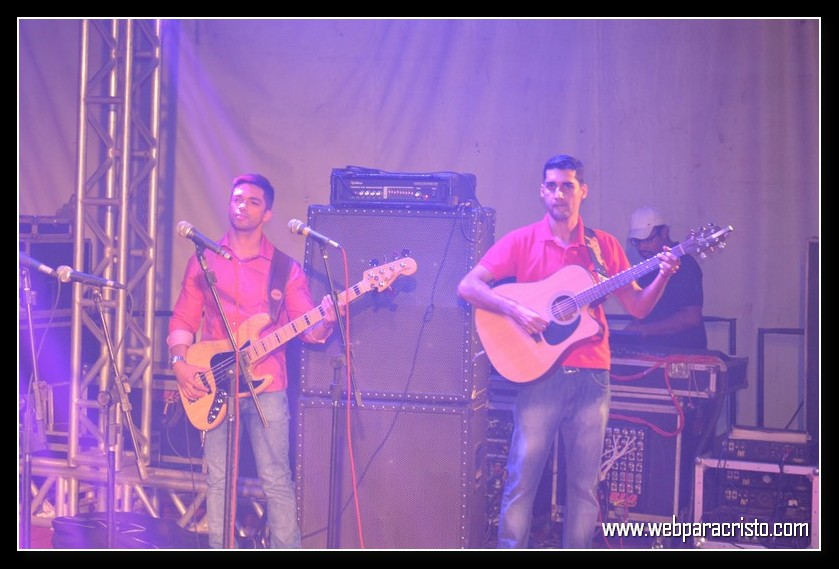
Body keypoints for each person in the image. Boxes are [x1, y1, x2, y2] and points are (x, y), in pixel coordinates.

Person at [457, 154, 680, 549]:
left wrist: (661, 275)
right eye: (552, 186)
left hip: (593, 377)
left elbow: (638, 308)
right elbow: (468, 286)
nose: (559, 193)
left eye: (567, 186)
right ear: (542, 191)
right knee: (521, 479)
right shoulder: (523, 240)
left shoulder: (603, 246)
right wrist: (517, 310)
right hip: (539, 376)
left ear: (583, 191)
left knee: (584, 488)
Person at [167, 173, 338, 549]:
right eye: (237, 198)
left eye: (253, 201)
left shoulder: (285, 268)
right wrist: (180, 363)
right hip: (215, 384)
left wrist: (326, 320)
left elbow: (308, 329)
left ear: (267, 214)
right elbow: (182, 320)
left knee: (276, 480)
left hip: (268, 385)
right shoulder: (204, 260)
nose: (242, 205)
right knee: (218, 481)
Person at [618, 206, 708, 350]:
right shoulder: (647, 267)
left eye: (648, 240)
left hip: (683, 351)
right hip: (653, 351)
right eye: (637, 242)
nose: (641, 247)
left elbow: (691, 317)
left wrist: (645, 330)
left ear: (665, 232)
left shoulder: (685, 265)